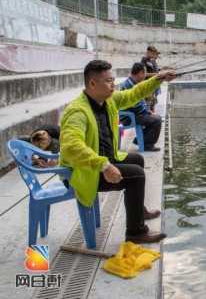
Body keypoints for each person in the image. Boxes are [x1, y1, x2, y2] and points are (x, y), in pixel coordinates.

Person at [59, 59, 176, 243]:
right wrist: (104, 165)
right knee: (136, 175)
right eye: (108, 81)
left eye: (113, 80)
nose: (113, 84)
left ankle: (138, 212)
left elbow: (133, 94)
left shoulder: (108, 100)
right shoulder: (77, 111)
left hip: (102, 162)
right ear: (92, 83)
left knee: (137, 159)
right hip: (84, 172)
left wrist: (158, 79)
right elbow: (71, 147)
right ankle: (135, 233)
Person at [119, 62, 162, 151]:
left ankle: (140, 140)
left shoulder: (132, 83)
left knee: (154, 117)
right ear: (140, 73)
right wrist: (147, 112)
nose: (145, 76)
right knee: (157, 120)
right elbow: (135, 105)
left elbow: (141, 101)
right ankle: (147, 145)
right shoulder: (128, 85)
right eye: (144, 73)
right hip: (128, 117)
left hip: (134, 113)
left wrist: (148, 110)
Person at [141, 46, 160, 112]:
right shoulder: (144, 61)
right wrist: (156, 75)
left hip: (153, 86)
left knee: (153, 103)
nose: (154, 55)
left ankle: (152, 116)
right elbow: (144, 74)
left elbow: (154, 71)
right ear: (148, 52)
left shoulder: (151, 61)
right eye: (152, 53)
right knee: (148, 104)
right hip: (147, 86)